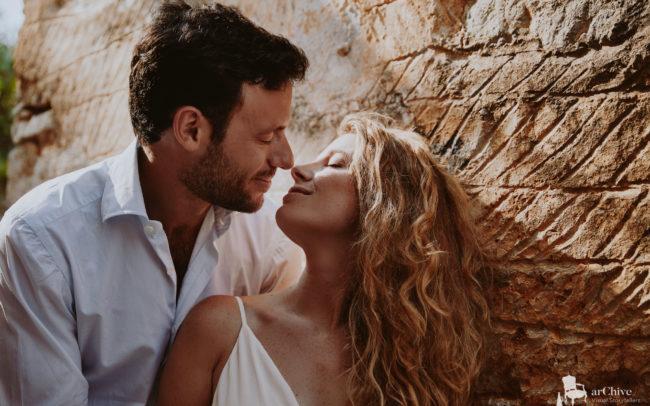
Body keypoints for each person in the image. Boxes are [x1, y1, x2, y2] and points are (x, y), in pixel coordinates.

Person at [0, 3, 309, 405]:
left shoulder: (271, 242)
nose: (286, 159)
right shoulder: (41, 240)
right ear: (191, 129)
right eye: (267, 137)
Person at [157, 113, 491, 406]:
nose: (297, 170)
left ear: (384, 206)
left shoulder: (412, 368)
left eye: (335, 164)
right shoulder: (219, 328)